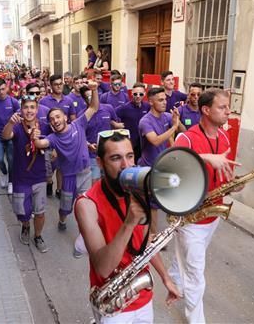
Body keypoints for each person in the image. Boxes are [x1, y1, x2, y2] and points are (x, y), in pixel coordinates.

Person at [75, 129, 180, 324]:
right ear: (100, 163)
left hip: (142, 295)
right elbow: (103, 268)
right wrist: (130, 222)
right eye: (115, 158)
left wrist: (165, 277)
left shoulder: (137, 190)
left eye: (130, 156)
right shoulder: (87, 204)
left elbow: (144, 242)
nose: (126, 165)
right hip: (113, 302)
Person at [169, 88, 240, 323]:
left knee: (189, 262)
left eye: (228, 106)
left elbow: (224, 176)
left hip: (213, 215)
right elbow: (169, 171)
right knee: (196, 275)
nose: (228, 111)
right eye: (222, 107)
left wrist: (234, 185)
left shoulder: (224, 137)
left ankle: (175, 272)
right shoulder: (186, 138)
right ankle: (196, 319)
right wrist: (206, 158)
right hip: (191, 217)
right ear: (206, 110)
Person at [33, 81, 100, 231]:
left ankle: (86, 229)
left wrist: (94, 90)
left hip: (85, 173)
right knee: (65, 207)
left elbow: (93, 107)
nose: (55, 120)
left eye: (57, 117)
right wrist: (34, 136)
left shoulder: (78, 124)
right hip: (68, 177)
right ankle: (62, 221)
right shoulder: (53, 138)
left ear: (65, 117)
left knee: (85, 203)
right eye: (51, 119)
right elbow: (39, 144)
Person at [2, 95, 50, 253]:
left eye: (32, 107)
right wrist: (10, 122)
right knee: (22, 212)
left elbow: (52, 143)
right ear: (21, 109)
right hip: (21, 177)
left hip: (39, 177)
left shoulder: (44, 125)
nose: (29, 110)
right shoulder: (16, 126)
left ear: (37, 110)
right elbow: (5, 136)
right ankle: (25, 226)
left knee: (40, 212)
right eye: (26, 107)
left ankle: (38, 236)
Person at [138, 87, 179, 233]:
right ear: (150, 102)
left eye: (165, 99)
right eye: (160, 100)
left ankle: (173, 228)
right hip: (149, 168)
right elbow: (155, 140)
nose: (164, 102)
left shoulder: (167, 117)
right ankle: (153, 235)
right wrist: (174, 126)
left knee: (171, 197)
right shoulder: (145, 121)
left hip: (165, 167)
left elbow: (172, 136)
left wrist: (176, 120)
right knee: (152, 205)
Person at [115, 82, 151, 161]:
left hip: (143, 143)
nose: (138, 96)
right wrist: (115, 124)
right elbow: (110, 116)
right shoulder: (124, 108)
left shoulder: (147, 106)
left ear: (144, 94)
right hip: (129, 143)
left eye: (140, 94)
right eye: (135, 94)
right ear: (131, 93)